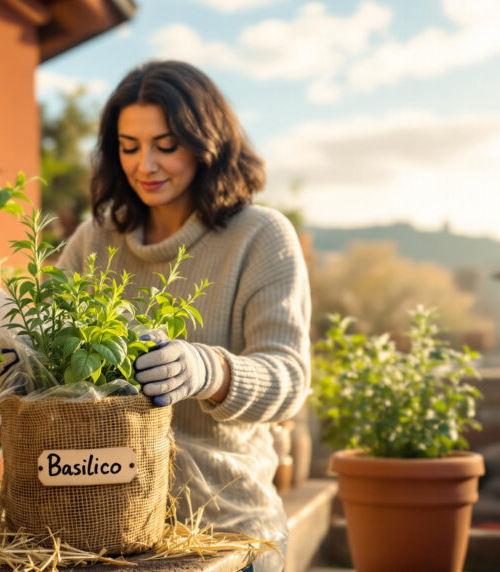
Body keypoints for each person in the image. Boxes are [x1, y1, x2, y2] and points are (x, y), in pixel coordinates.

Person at [54, 60, 310, 571]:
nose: (145, 164)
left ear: (206, 142)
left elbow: (289, 378)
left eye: (165, 146)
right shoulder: (94, 239)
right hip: (96, 520)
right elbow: (44, 341)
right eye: (129, 147)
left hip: (223, 530)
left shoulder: (260, 237)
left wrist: (208, 371)